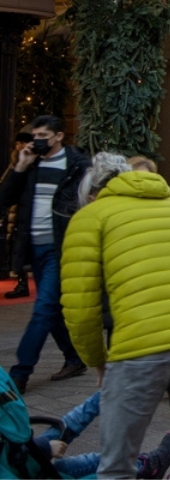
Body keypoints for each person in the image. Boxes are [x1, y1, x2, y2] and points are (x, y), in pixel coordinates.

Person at [61, 153, 170, 477]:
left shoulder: (92, 217)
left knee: (117, 465)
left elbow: (81, 308)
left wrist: (98, 362)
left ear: (92, 194)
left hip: (139, 347)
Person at [0, 114, 90, 392]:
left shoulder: (77, 165)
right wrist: (20, 167)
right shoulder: (31, 163)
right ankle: (74, 358)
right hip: (33, 246)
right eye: (34, 137)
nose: (37, 142)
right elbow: (5, 199)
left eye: (43, 137)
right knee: (51, 308)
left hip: (60, 247)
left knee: (42, 309)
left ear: (59, 136)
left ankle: (20, 373)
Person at [24, 386, 170, 479]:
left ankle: (113, 386)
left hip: (22, 450)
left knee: (77, 417)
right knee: (104, 468)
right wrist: (45, 447)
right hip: (23, 467)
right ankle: (148, 466)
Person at [3, 131, 33, 300]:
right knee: (14, 247)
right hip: (15, 211)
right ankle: (21, 282)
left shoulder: (28, 162)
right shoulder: (16, 161)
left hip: (21, 211)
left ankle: (22, 283)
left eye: (24, 142)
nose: (20, 146)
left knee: (19, 247)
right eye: (18, 142)